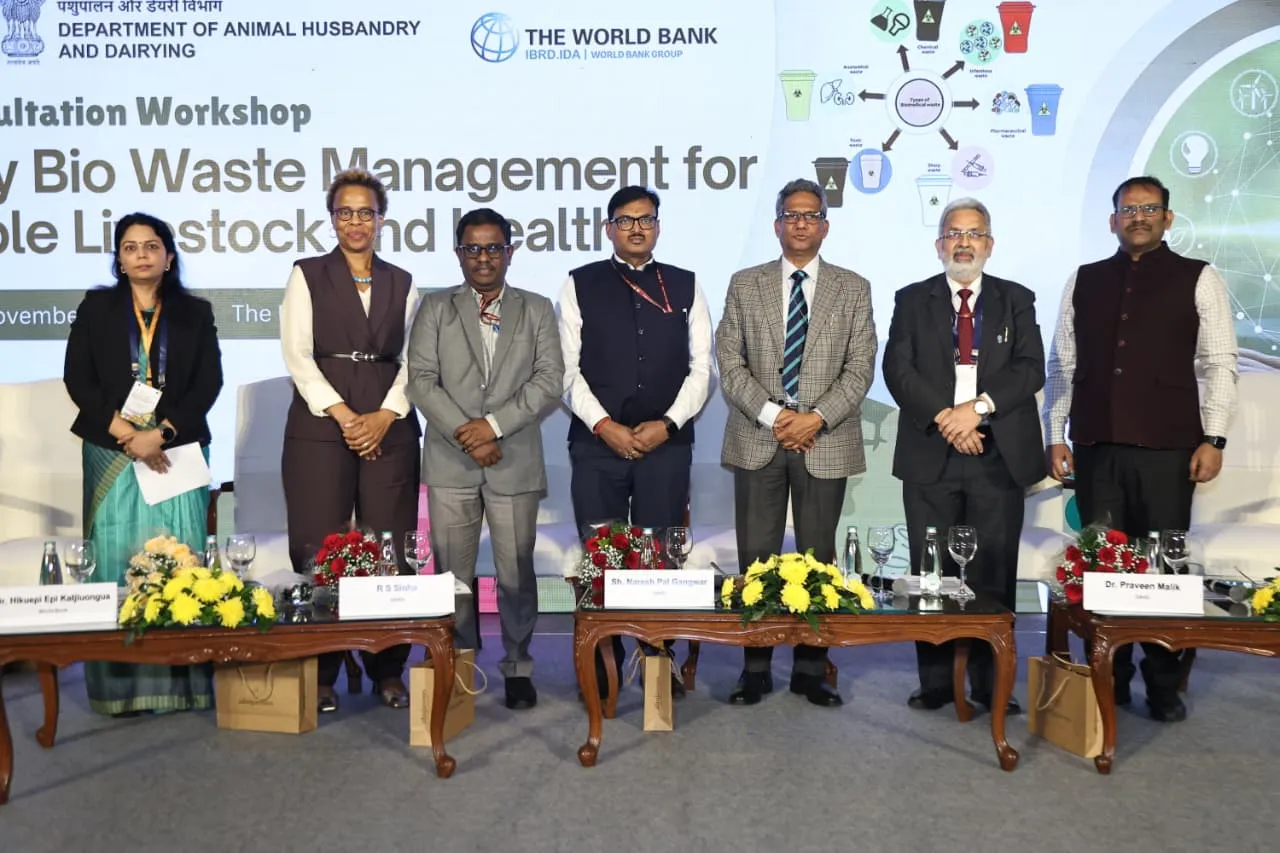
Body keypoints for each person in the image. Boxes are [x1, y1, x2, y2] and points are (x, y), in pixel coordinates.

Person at [1043, 175, 1238, 723]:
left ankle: (1164, 686)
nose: (1139, 217)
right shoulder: (1084, 279)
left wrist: (1214, 436)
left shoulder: (1199, 278)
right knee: (1103, 566)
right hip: (1098, 447)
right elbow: (1064, 366)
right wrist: (1055, 434)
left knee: (1166, 571)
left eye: (1150, 208)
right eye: (1128, 209)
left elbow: (1218, 363)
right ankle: (1109, 675)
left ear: (1168, 218)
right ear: (1113, 220)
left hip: (1169, 450)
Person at [715, 178, 877, 707]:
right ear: (777, 224)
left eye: (811, 215)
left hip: (824, 441)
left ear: (825, 225)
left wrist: (816, 419)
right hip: (758, 437)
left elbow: (860, 369)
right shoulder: (745, 283)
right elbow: (730, 363)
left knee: (818, 558)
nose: (801, 223)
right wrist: (776, 415)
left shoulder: (854, 287)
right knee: (756, 559)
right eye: (791, 214)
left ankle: (811, 669)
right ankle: (755, 668)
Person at [882, 197, 1045, 715]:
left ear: (989, 245)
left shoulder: (1017, 299)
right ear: (939, 245)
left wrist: (976, 410)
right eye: (954, 232)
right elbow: (898, 369)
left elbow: (1030, 369)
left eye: (974, 233)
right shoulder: (911, 299)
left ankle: (988, 682)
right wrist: (947, 420)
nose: (964, 242)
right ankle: (933, 683)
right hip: (933, 449)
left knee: (992, 573)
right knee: (931, 572)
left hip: (998, 452)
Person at [63, 212, 223, 716]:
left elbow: (208, 384)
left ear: (169, 257)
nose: (141, 255)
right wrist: (129, 434)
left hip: (175, 449)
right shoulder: (97, 309)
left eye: (151, 246)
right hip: (112, 448)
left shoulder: (195, 314)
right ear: (119, 258)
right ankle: (119, 691)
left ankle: (183, 686)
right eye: (130, 247)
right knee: (115, 558)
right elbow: (77, 379)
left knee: (180, 556)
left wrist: (161, 433)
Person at [557, 185, 713, 697]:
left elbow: (701, 370)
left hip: (664, 447)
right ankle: (603, 665)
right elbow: (565, 370)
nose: (637, 228)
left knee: (660, 560)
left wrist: (667, 424)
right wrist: (605, 425)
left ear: (659, 225)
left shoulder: (687, 285)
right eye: (625, 221)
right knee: (602, 558)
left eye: (646, 219)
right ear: (608, 228)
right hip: (598, 445)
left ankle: (656, 662)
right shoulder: (580, 284)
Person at [408, 207, 564, 710]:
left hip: (513, 456)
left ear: (510, 253)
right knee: (453, 573)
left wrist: (493, 427)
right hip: (451, 459)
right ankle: (460, 661)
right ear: (458, 254)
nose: (483, 258)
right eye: (472, 248)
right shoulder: (435, 308)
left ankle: (518, 666)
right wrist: (468, 433)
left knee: (515, 571)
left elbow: (548, 380)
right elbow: (421, 382)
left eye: (493, 248)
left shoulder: (537, 308)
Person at [280, 168, 420, 713]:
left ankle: (388, 669)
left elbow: (416, 361)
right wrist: (344, 415)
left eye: (366, 212)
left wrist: (384, 415)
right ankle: (323, 670)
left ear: (381, 219)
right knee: (322, 546)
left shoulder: (404, 282)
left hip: (390, 421)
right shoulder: (307, 273)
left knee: (391, 546)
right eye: (345, 212)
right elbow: (297, 354)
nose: (355, 222)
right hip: (321, 423)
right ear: (332, 217)